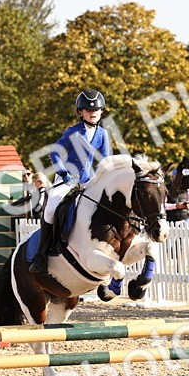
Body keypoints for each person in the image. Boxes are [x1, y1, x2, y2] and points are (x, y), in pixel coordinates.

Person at [31, 90, 113, 274]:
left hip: (89, 178)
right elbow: (54, 154)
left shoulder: (102, 134)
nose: (92, 113)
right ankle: (41, 255)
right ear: (80, 112)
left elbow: (105, 160)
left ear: (101, 112)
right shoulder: (72, 132)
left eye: (96, 110)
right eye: (87, 110)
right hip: (67, 177)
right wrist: (64, 173)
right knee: (51, 209)